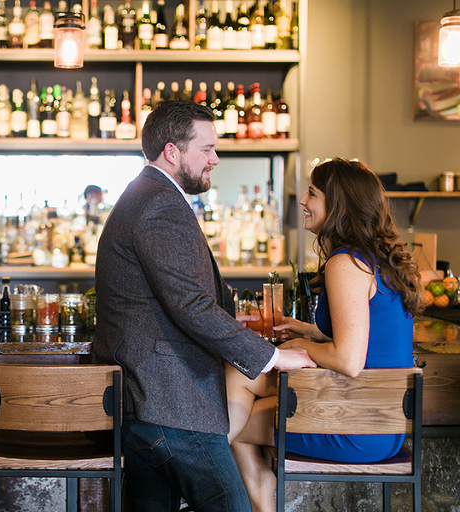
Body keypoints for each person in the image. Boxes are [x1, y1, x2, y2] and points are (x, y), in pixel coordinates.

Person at [92, 100, 316, 512]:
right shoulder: (159, 203)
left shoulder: (148, 195)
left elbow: (182, 293)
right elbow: (191, 305)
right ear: (172, 151)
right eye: (207, 149)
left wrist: (233, 315)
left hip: (146, 397)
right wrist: (274, 356)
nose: (216, 159)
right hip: (170, 399)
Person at [225, 157, 424, 512]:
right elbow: (368, 334)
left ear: (337, 205)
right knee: (246, 386)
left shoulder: (345, 263)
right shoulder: (373, 260)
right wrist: (309, 330)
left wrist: (299, 345)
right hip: (382, 425)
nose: (302, 201)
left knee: (237, 388)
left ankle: (237, 492)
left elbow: (349, 359)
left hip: (353, 426)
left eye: (312, 194)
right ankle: (251, 493)